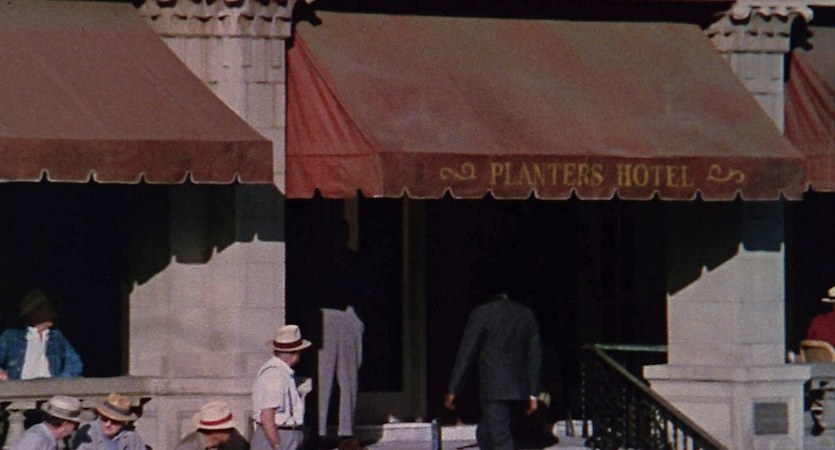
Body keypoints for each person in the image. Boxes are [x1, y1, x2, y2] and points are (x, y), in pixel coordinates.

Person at [444, 293, 543, 450]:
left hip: (494, 387)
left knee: (500, 439)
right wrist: (533, 393)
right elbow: (535, 355)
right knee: (486, 433)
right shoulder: (526, 314)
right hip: (519, 388)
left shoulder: (482, 313)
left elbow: (467, 352)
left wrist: (453, 389)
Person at [252, 325, 312, 450]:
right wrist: (277, 445)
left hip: (285, 434)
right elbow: (267, 416)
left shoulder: (283, 373)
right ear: (295, 354)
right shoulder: (275, 374)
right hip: (277, 435)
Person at [0, 289, 83, 380]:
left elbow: (74, 362)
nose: (49, 314)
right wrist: (2, 375)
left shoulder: (56, 337)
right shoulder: (12, 337)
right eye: (44, 310)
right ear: (33, 314)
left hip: (50, 384)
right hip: (22, 384)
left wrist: (62, 381)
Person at [70, 393, 146, 450]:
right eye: (104, 419)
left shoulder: (132, 436)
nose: (108, 424)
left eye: (115, 422)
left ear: (123, 422)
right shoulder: (87, 434)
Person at [11, 395, 81, 450]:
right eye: (75, 424)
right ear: (66, 424)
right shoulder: (36, 439)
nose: (74, 428)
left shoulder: (45, 437)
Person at [175, 401, 246, 450]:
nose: (232, 430)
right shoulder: (188, 446)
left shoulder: (236, 441)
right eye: (228, 429)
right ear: (216, 432)